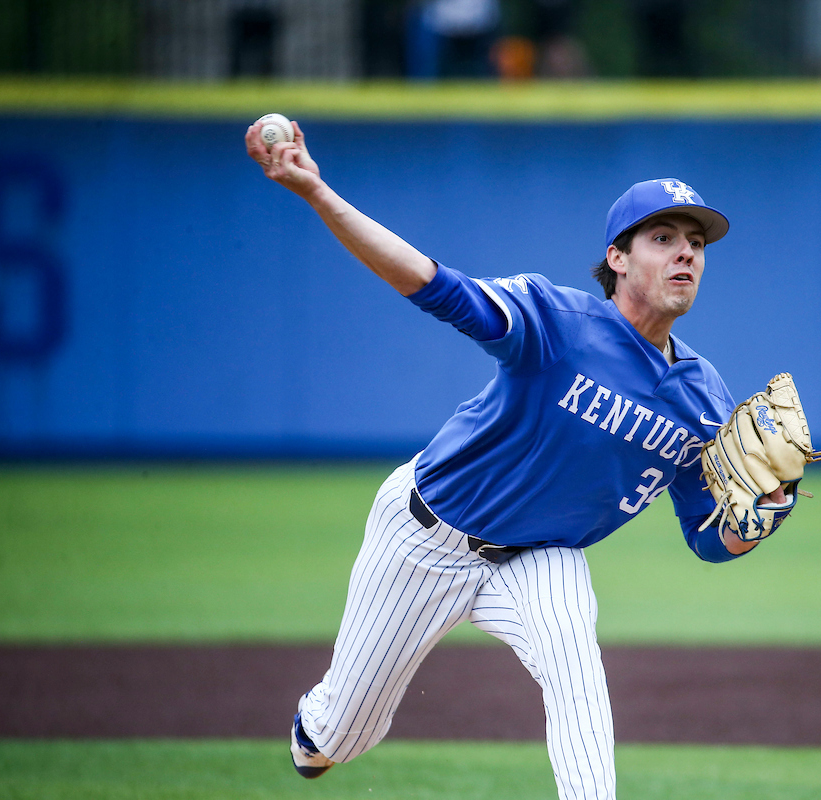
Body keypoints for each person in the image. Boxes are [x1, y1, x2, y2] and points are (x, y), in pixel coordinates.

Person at [245, 119, 785, 800]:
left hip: (541, 555)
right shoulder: (555, 321)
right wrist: (318, 193)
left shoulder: (705, 400)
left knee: (576, 668)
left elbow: (710, 539)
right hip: (423, 537)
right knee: (340, 739)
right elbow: (436, 286)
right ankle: (318, 730)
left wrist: (765, 512)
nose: (686, 254)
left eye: (697, 242)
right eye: (664, 238)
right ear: (618, 258)